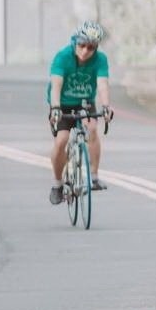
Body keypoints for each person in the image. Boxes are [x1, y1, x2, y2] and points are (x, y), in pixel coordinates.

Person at [47, 21, 113, 203]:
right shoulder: (62, 57)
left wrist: (106, 106)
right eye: (81, 45)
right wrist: (55, 108)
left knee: (92, 129)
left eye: (91, 47)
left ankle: (94, 176)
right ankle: (57, 183)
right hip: (62, 103)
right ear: (74, 42)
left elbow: (102, 84)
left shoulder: (100, 60)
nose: (85, 51)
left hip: (85, 102)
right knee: (61, 140)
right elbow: (56, 86)